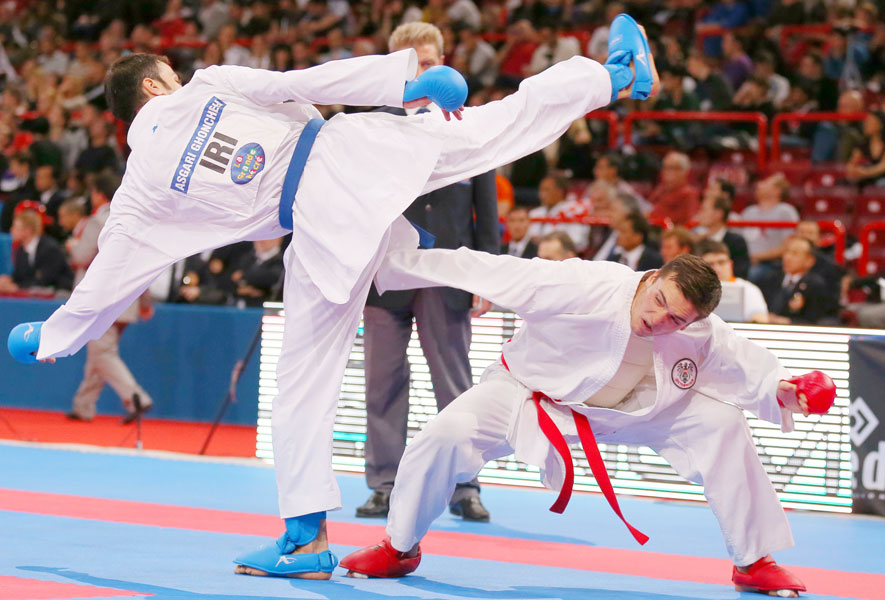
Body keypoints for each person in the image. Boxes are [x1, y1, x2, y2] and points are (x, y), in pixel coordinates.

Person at [9, 14, 660, 580]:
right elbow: (301, 82)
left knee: (302, 380)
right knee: (492, 129)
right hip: (354, 153)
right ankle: (615, 76)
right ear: (154, 86)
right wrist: (402, 85)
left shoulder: (139, 191)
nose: (177, 79)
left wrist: (53, 335)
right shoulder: (207, 84)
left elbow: (110, 273)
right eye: (168, 75)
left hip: (320, 228)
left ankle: (306, 537)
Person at [341, 250, 830, 599]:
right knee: (446, 433)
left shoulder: (700, 329)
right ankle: (399, 547)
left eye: (676, 320)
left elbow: (744, 362)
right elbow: (488, 268)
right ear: (653, 276)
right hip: (531, 394)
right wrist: (393, 261)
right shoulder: (583, 284)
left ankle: (753, 560)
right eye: (659, 300)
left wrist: (784, 387)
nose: (659, 319)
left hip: (638, 410)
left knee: (722, 423)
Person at [357, 22, 498, 523]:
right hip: (385, 270)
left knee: (455, 386)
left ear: (445, 61)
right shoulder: (371, 124)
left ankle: (465, 486)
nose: (425, 70)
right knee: (382, 383)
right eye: (413, 63)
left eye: (431, 60)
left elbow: (486, 205)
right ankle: (385, 484)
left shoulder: (469, 124)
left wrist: (487, 273)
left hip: (447, 267)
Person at [65, 173, 155, 423]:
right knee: (100, 351)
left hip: (102, 299)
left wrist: (72, 247)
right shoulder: (133, 221)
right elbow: (141, 263)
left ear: (99, 194)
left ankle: (137, 399)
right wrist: (145, 302)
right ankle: (83, 405)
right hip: (127, 299)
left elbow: (81, 257)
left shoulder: (97, 221)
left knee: (102, 353)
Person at [761, 236, 831, 325]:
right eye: (786, 252)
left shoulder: (816, 285)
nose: (787, 257)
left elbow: (816, 321)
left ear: (809, 260)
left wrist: (789, 322)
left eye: (795, 253)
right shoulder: (770, 278)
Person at [0, 209, 73, 293]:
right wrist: (8, 280)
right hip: (36, 293)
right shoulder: (21, 250)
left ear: (27, 230)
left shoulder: (50, 249)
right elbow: (20, 276)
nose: (11, 230)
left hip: (58, 294)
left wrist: (17, 286)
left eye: (15, 227)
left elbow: (45, 279)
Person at [698, 239, 768, 323]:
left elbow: (759, 320)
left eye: (721, 262)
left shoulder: (749, 289)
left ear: (730, 264)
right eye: (710, 264)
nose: (717, 269)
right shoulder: (695, 291)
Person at [647, 151, 700, 226]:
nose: (668, 172)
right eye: (665, 167)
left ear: (685, 171)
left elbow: (689, 223)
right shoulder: (660, 189)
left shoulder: (689, 194)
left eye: (673, 168)